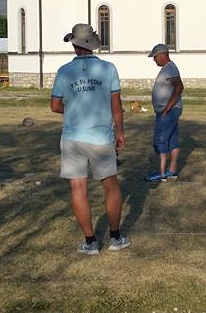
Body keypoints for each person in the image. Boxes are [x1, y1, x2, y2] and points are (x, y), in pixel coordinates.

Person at [49, 24, 130, 255]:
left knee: (78, 188)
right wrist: (120, 132)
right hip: (101, 137)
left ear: (74, 45)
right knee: (111, 186)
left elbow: (55, 106)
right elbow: (117, 106)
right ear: (92, 44)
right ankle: (115, 238)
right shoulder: (109, 69)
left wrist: (75, 110)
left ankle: (90, 241)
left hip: (73, 137)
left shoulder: (64, 71)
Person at [146, 44, 184, 183]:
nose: (154, 59)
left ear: (163, 55)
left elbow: (179, 87)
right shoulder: (167, 68)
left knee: (160, 140)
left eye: (155, 57)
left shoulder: (170, 68)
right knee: (172, 139)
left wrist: (168, 106)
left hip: (168, 112)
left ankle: (162, 173)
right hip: (169, 111)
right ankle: (172, 171)